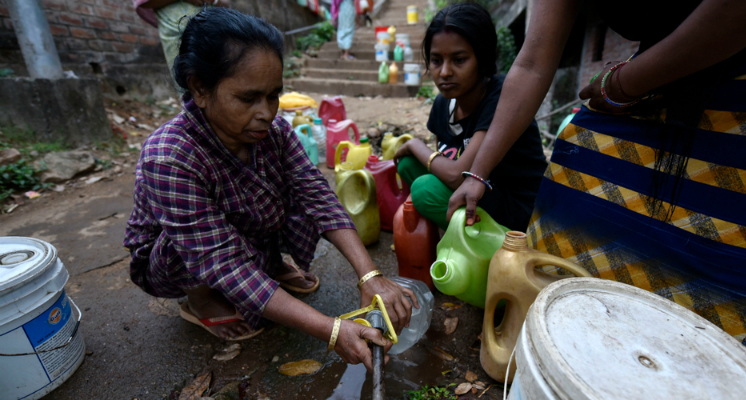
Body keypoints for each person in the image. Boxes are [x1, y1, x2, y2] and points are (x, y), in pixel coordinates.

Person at [447, 0, 746, 363]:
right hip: (635, 91)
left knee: (721, 298)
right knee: (561, 240)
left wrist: (625, 82)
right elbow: (533, 62)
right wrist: (478, 174)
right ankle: (570, 363)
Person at [123, 8, 416, 369]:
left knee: (288, 193)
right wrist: (332, 329)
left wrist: (370, 275)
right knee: (193, 250)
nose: (266, 112)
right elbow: (221, 261)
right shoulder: (169, 157)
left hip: (244, 235)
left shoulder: (274, 132)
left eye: (273, 95)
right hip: (177, 256)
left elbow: (317, 195)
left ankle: (269, 263)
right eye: (248, 99)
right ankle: (199, 300)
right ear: (199, 88)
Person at [392, 2, 548, 232]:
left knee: (425, 190)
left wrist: (415, 144)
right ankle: (459, 233)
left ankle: (490, 248)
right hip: (477, 192)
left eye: (459, 60)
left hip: (518, 209)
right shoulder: (443, 104)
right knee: (408, 165)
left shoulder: (502, 97)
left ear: (482, 59)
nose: (444, 72)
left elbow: (457, 174)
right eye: (436, 61)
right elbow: (446, 159)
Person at [132, 0, 228, 76]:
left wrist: (215, 1)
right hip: (178, 35)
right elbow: (143, 2)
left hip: (215, 31)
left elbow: (226, 3)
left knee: (223, 77)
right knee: (191, 83)